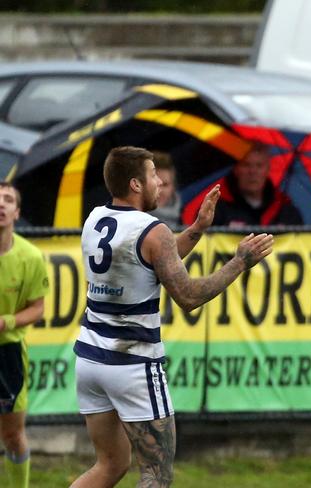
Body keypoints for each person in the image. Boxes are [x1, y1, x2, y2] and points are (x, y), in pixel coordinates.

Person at [71, 146, 274, 488]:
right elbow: (189, 296)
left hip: (90, 359)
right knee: (156, 473)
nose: (160, 185)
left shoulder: (94, 218)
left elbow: (150, 260)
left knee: (109, 465)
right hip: (132, 363)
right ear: (136, 184)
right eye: (154, 177)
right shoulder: (153, 229)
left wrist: (196, 228)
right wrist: (240, 261)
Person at [0, 182, 49, 488]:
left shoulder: (30, 257)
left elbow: (38, 309)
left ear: (17, 212)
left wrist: (6, 322)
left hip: (9, 355)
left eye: (7, 200)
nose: (0, 205)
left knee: (13, 435)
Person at [212, 142, 303, 227]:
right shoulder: (216, 210)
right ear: (236, 169)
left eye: (259, 165)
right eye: (246, 165)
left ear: (268, 169)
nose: (253, 171)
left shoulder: (286, 212)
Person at [149, 151, 181, 227]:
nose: (160, 191)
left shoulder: (188, 224)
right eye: (155, 184)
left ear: (173, 187)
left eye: (165, 185)